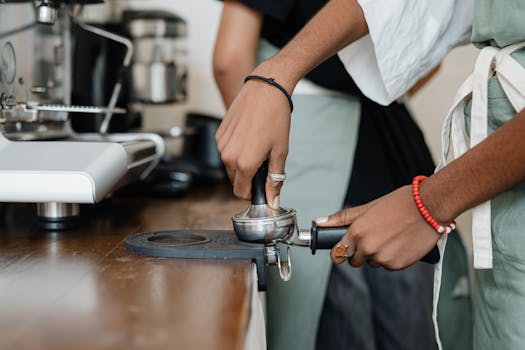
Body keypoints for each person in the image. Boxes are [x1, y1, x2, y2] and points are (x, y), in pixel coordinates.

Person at [215, 0, 525, 349]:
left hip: (382, 173)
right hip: (408, 166)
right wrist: (279, 73)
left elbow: (229, 58)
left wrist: (433, 201)